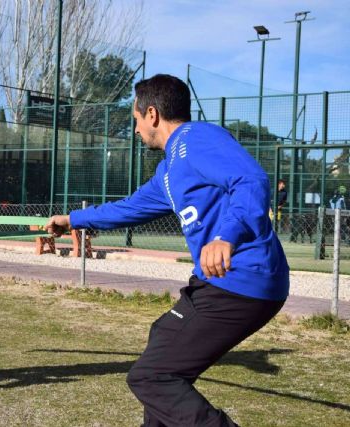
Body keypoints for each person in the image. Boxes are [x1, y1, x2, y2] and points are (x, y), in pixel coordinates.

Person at [46, 74, 289, 426]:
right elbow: (129, 208)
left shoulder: (197, 138)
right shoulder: (170, 169)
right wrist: (73, 219)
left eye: (135, 120)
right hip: (219, 282)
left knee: (150, 377)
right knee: (161, 340)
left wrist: (225, 236)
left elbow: (251, 180)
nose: (135, 130)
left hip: (241, 280)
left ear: (153, 114)